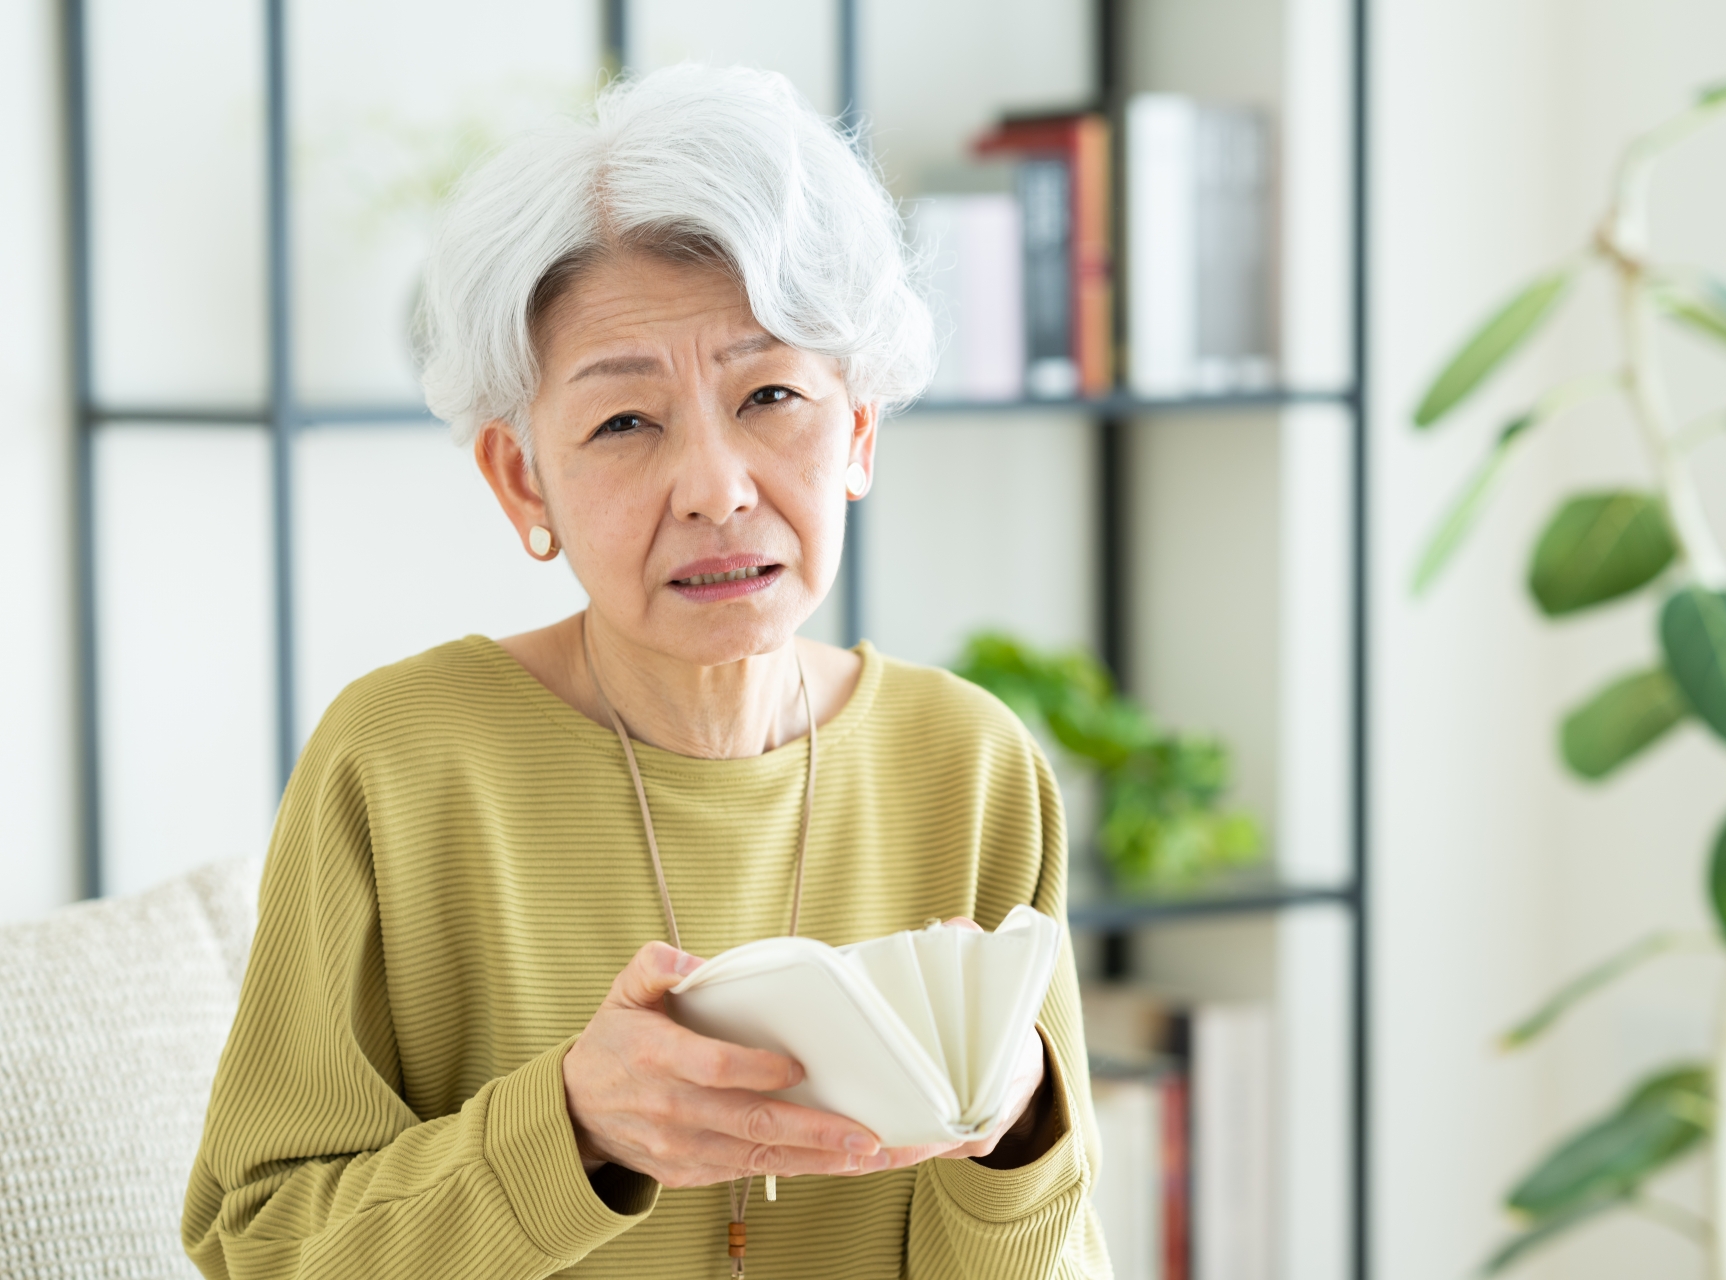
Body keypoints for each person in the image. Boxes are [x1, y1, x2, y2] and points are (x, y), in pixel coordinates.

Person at [181, 63, 1107, 1280]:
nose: (717, 487)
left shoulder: (972, 765)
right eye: (625, 422)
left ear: (861, 431)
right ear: (523, 478)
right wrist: (571, 1128)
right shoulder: (399, 760)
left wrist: (1021, 1134)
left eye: (771, 393)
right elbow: (261, 1249)